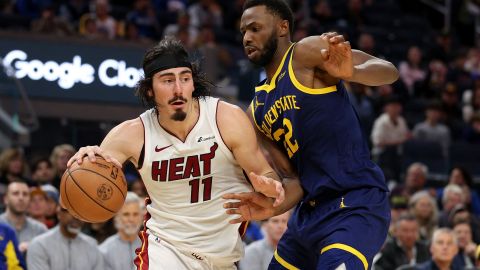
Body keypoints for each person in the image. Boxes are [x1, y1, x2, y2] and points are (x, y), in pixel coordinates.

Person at [67, 37, 285, 269]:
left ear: (193, 83)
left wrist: (271, 187)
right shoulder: (131, 134)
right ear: (150, 90)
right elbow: (86, 180)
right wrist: (86, 160)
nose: (178, 89)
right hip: (166, 251)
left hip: (223, 259)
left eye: (185, 78)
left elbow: (265, 175)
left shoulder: (226, 118)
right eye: (168, 80)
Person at [223, 0, 399, 269]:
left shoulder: (305, 53)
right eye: (243, 31)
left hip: (355, 201)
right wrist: (271, 209)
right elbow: (293, 180)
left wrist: (352, 72)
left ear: (282, 28)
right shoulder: (255, 110)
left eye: (255, 28)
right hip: (308, 214)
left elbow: (389, 71)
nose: (247, 37)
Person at [26, 206, 104, 270]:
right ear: (59, 213)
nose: (76, 216)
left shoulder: (92, 245)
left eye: (81, 212)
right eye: (70, 211)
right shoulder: (39, 244)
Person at [0, 181, 47, 254]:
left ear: (29, 199)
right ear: (6, 199)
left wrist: (33, 248)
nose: (21, 198)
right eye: (15, 193)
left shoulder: (40, 229)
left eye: (25, 194)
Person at [99, 192, 143, 270]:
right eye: (126, 214)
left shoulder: (150, 247)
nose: (131, 219)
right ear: (116, 217)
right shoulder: (104, 250)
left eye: (135, 214)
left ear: (141, 217)